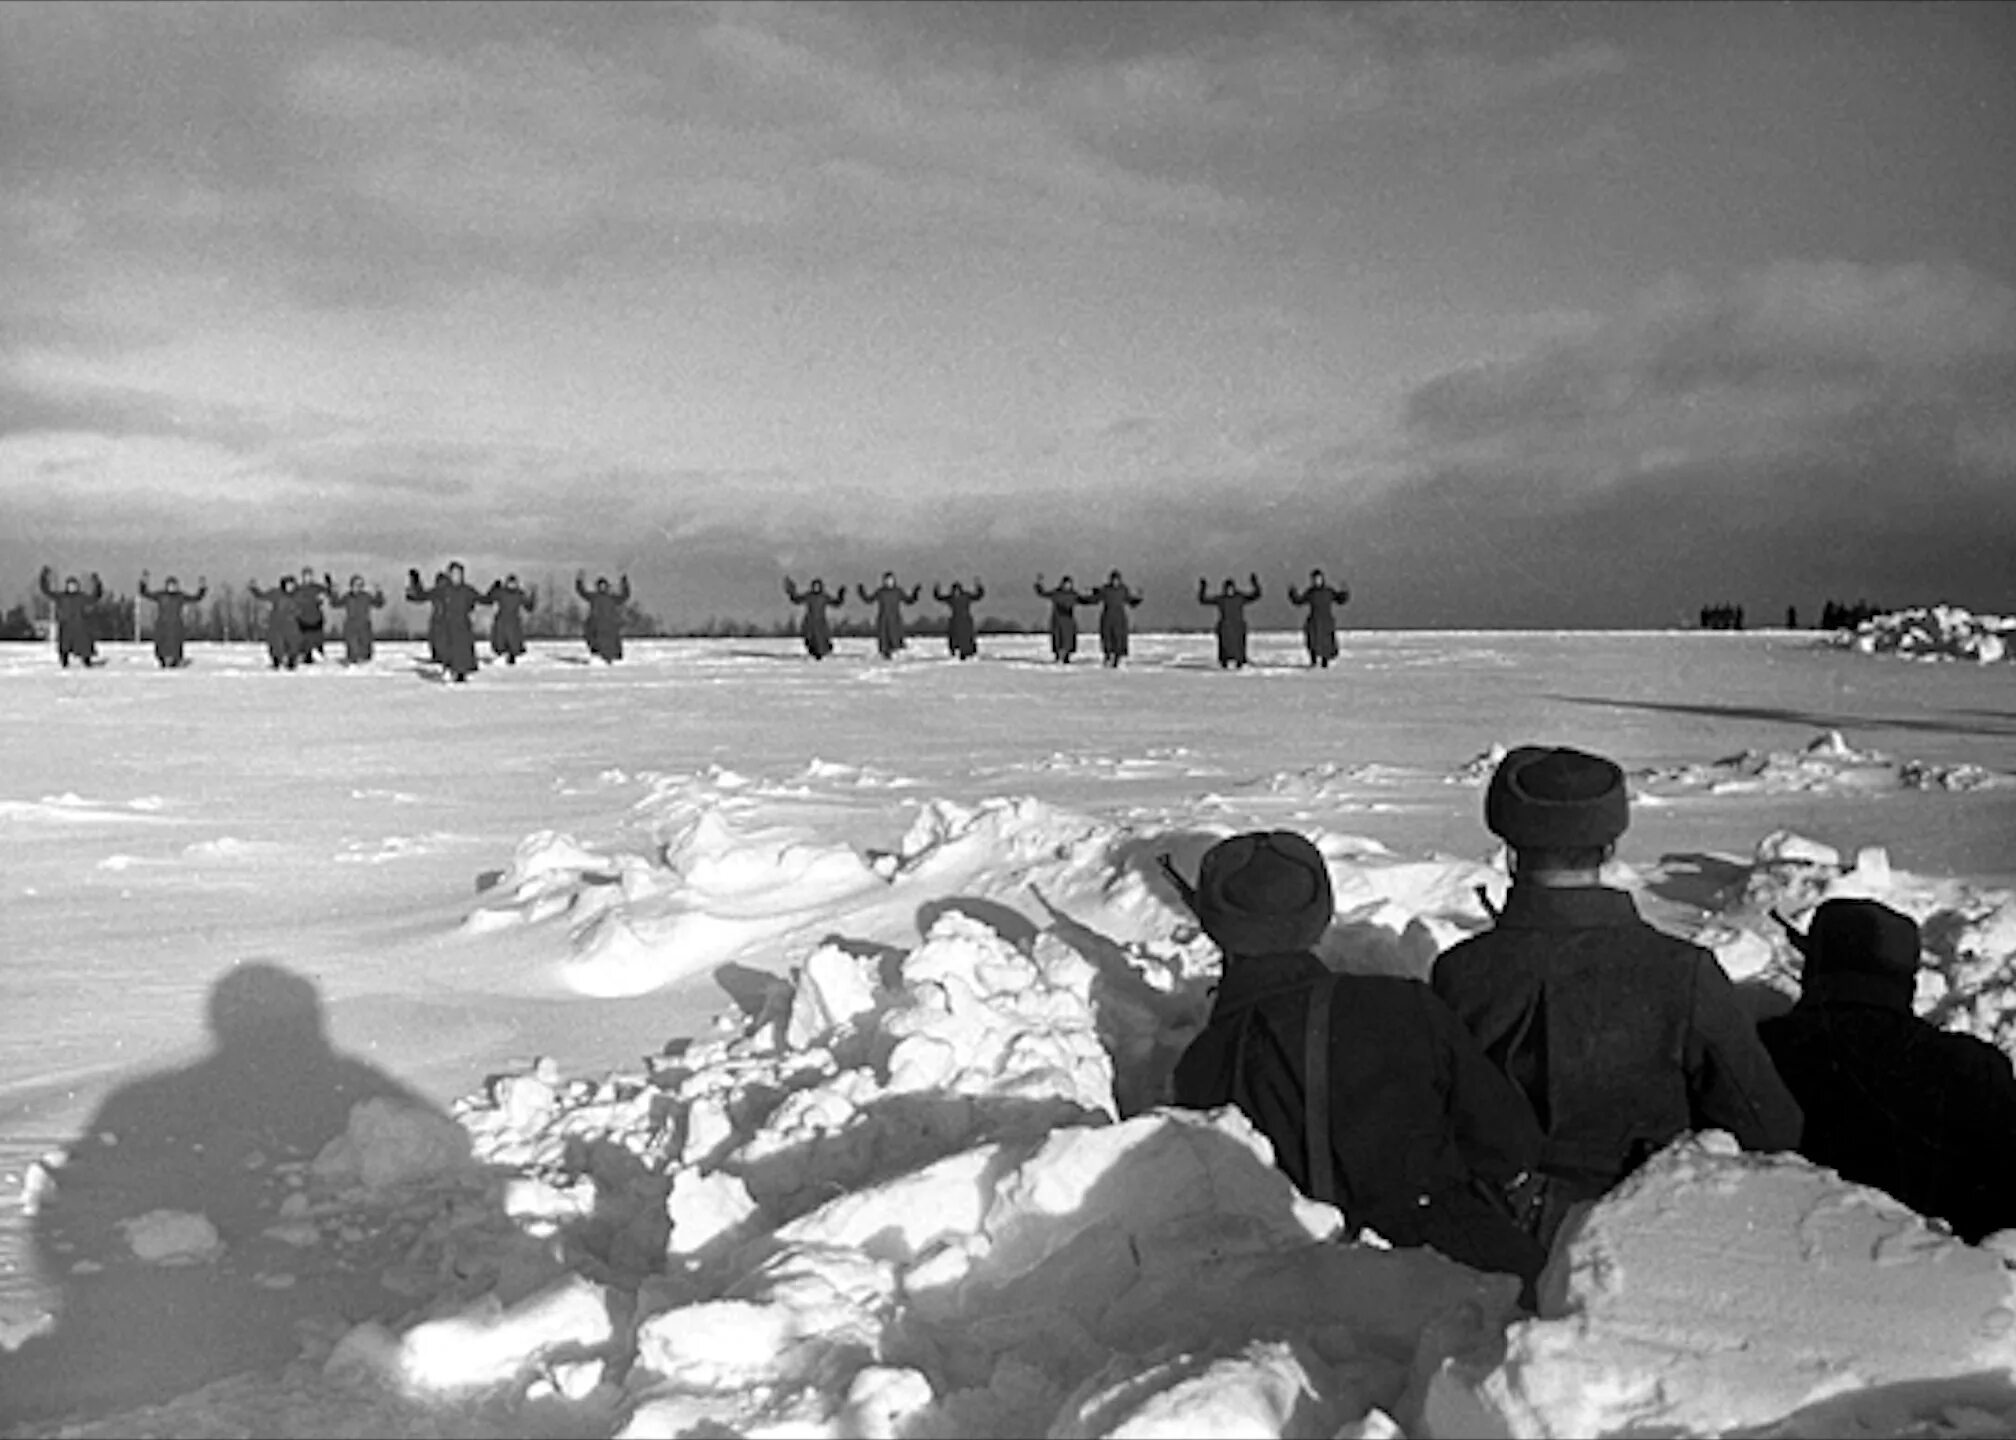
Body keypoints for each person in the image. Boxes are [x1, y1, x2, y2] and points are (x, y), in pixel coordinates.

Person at [1431, 745, 1804, 1250]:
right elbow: (1770, 1126)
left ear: (1510, 849)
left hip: (1497, 1244)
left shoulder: (1460, 973)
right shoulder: (1683, 972)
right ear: (1609, 848)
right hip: (1652, 1243)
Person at [1170, 831, 1548, 1293]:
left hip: (1309, 1299)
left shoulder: (1203, 1063)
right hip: (1464, 1272)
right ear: (1320, 914)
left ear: (1212, 926)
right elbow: (1509, 1145)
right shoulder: (1403, 1005)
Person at [1759, 899, 2016, 1243]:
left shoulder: (1763, 1049)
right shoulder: (1975, 1068)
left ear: (1814, 970)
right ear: (1907, 983)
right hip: (1952, 1283)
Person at [408, 562, 488, 681]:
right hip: (447, 627)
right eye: (454, 573)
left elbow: (483, 599)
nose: (456, 576)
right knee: (448, 651)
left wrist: (494, 590)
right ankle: (449, 669)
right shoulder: (443, 590)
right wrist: (415, 581)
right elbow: (423, 595)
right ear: (449, 575)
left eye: (459, 573)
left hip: (463, 627)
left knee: (463, 653)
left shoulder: (467, 590)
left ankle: (461, 674)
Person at [37, 567, 104, 668]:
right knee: (64, 646)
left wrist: (97, 583)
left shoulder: (82, 597)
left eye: (74, 586)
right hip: (66, 625)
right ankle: (64, 662)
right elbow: (47, 591)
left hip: (79, 625)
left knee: (85, 645)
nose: (72, 587)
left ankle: (87, 662)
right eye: (70, 586)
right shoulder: (62, 597)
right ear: (67, 586)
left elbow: (95, 597)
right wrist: (43, 578)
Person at [138, 572, 206, 668]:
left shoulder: (180, 596)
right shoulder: (161, 595)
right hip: (163, 624)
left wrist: (202, 588)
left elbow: (196, 598)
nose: (172, 587)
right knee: (161, 642)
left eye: (174, 585)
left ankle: (176, 661)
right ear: (166, 586)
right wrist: (143, 582)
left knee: (176, 643)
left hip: (176, 624)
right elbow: (145, 593)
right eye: (170, 585)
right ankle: (162, 660)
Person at [1287, 569, 1349, 668]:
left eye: (1318, 579)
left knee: (1327, 643)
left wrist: (1345, 593)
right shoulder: (1311, 593)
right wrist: (1292, 593)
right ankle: (1313, 662)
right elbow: (1299, 601)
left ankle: (1325, 663)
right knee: (1312, 641)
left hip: (1326, 621)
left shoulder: (1328, 591)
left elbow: (1339, 599)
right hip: (1314, 621)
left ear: (1322, 579)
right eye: (1315, 579)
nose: (1317, 581)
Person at [1198, 574, 1263, 669]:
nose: (1229, 590)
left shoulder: (1239, 598)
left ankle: (1239, 663)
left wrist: (1255, 583)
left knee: (1239, 647)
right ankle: (1224, 663)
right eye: (1228, 588)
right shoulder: (1221, 599)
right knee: (1225, 647)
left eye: (1231, 588)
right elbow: (1203, 600)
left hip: (1237, 627)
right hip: (1226, 628)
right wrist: (1203, 587)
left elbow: (1256, 595)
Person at [856, 572, 921, 660]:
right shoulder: (880, 592)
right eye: (886, 580)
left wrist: (915, 592)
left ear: (894, 581)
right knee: (884, 641)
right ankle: (886, 656)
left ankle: (897, 657)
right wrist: (862, 592)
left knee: (896, 640)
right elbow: (869, 600)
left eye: (890, 580)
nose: (888, 582)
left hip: (895, 620)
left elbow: (909, 601)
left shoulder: (898, 591)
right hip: (883, 620)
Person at [1086, 569, 1142, 668]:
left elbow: (1129, 601)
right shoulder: (1106, 590)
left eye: (1117, 580)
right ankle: (1108, 656)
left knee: (1119, 638)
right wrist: (1085, 598)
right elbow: (1095, 599)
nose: (1115, 582)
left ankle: (1118, 657)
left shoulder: (1123, 590)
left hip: (1119, 618)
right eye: (1114, 580)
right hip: (1108, 617)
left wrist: (1137, 600)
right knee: (1107, 637)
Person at [248, 574, 304, 670]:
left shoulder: (298, 595)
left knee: (294, 643)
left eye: (292, 585)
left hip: (291, 624)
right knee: (276, 643)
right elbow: (262, 596)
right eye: (288, 585)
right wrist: (254, 589)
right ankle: (276, 660)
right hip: (277, 624)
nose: (290, 587)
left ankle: (292, 660)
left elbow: (306, 604)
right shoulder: (276, 594)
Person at [783, 577, 846, 660]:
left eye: (818, 586)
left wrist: (841, 595)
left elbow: (836, 603)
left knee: (823, 638)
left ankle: (823, 652)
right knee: (812, 638)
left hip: (821, 622)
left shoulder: (824, 597)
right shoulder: (809, 596)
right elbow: (797, 600)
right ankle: (814, 651)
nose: (816, 588)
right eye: (815, 586)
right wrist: (791, 592)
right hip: (811, 622)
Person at [575, 571, 631, 663]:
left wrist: (624, 583)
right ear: (597, 587)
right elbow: (582, 592)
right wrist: (579, 581)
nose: (602, 588)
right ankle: (598, 658)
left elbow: (625, 596)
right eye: (600, 586)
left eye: (604, 586)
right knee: (596, 643)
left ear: (607, 587)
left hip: (610, 627)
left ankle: (614, 660)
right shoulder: (593, 597)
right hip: (597, 626)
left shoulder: (612, 598)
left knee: (613, 645)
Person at [1034, 574, 1090, 664]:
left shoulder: (1073, 595)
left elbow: (1085, 600)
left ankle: (1066, 657)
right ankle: (1058, 656)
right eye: (1066, 584)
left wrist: (1092, 594)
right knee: (1058, 639)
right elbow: (1043, 593)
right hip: (1058, 620)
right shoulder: (1056, 593)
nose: (1067, 586)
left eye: (1069, 584)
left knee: (1068, 640)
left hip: (1068, 621)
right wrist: (1038, 585)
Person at [330, 575, 385, 664]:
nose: (357, 587)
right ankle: (353, 663)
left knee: (365, 649)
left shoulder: (366, 596)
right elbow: (335, 604)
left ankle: (364, 664)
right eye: (355, 585)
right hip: (351, 626)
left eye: (360, 585)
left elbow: (379, 604)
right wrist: (334, 592)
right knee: (352, 648)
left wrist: (379, 592)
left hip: (364, 626)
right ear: (351, 585)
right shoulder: (347, 597)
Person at [484, 574, 536, 665]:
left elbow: (529, 607)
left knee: (514, 641)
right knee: (500, 640)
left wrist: (532, 597)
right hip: (502, 621)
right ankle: (501, 656)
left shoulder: (519, 594)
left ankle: (512, 656)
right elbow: (488, 599)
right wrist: (493, 588)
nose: (512, 585)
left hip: (513, 621)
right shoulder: (501, 592)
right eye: (510, 583)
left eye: (514, 583)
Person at [932, 578, 986, 661]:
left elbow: (978, 596)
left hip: (964, 621)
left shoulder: (965, 596)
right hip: (957, 621)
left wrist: (979, 587)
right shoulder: (951, 598)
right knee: (955, 638)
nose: (956, 592)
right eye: (954, 590)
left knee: (967, 638)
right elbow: (938, 597)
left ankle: (968, 652)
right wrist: (936, 589)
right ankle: (956, 651)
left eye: (957, 590)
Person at [406, 568, 448, 666]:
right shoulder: (436, 591)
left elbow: (419, 596)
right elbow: (420, 596)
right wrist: (415, 580)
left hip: (446, 621)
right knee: (436, 638)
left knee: (443, 639)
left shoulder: (449, 592)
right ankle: (438, 656)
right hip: (437, 621)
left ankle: (443, 656)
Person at [293, 568, 333, 664]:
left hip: (316, 617)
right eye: (305, 576)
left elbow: (327, 592)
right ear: (302, 577)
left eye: (309, 576)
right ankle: (306, 655)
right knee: (304, 639)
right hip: (303, 618)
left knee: (317, 637)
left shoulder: (317, 588)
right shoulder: (298, 589)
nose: (308, 578)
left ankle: (319, 652)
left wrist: (329, 583)